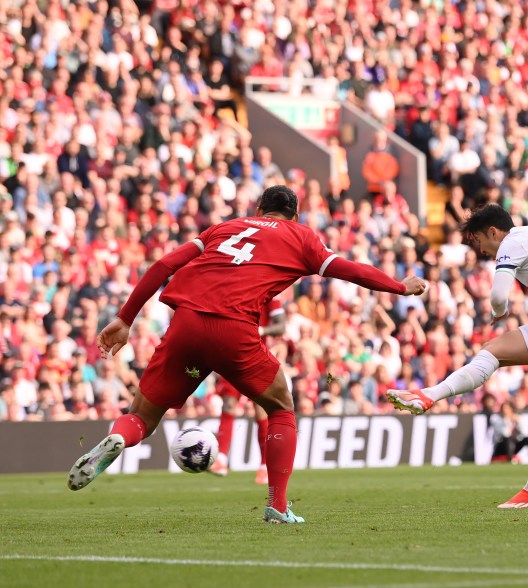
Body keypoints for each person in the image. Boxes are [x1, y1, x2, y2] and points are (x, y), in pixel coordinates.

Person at [67, 185, 427, 524]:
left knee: (142, 417)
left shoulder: (222, 228)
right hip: (234, 329)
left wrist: (125, 318)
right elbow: (349, 270)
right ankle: (278, 506)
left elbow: (163, 266)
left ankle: (120, 438)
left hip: (186, 323)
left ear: (257, 210)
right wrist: (398, 286)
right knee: (281, 406)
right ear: (295, 216)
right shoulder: (301, 237)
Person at [387, 203, 528, 508]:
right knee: (492, 351)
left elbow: (500, 296)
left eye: (478, 242)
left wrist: (498, 312)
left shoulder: (511, 242)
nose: (481, 252)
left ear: (493, 232)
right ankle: (428, 395)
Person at [209, 294, 286, 484]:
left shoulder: (271, 295)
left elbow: (281, 326)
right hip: (233, 354)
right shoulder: (236, 290)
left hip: (257, 356)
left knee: (260, 409)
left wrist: (261, 329)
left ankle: (265, 466)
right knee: (228, 404)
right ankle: (221, 459)